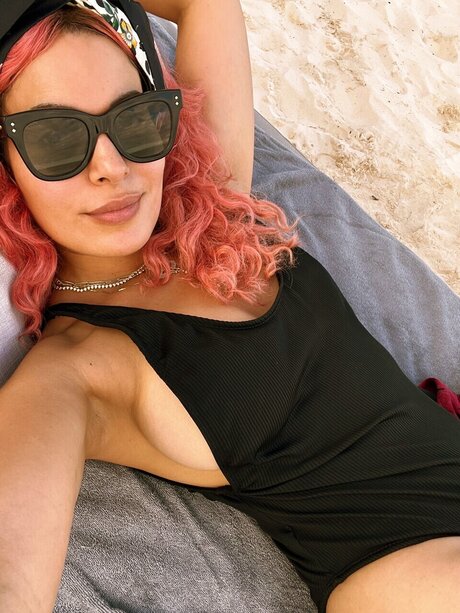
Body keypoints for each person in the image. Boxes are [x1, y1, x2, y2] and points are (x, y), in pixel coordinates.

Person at [0, 1, 459, 612]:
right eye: (55, 138)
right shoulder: (73, 372)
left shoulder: (214, 215)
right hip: (415, 571)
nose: (112, 167)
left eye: (136, 120)